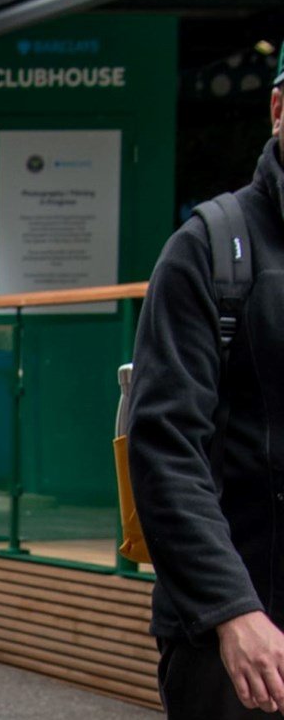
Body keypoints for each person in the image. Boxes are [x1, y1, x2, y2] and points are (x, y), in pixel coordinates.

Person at [129, 54, 284, 718]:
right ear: (278, 111)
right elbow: (164, 448)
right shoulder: (210, 250)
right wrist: (233, 611)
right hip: (243, 642)